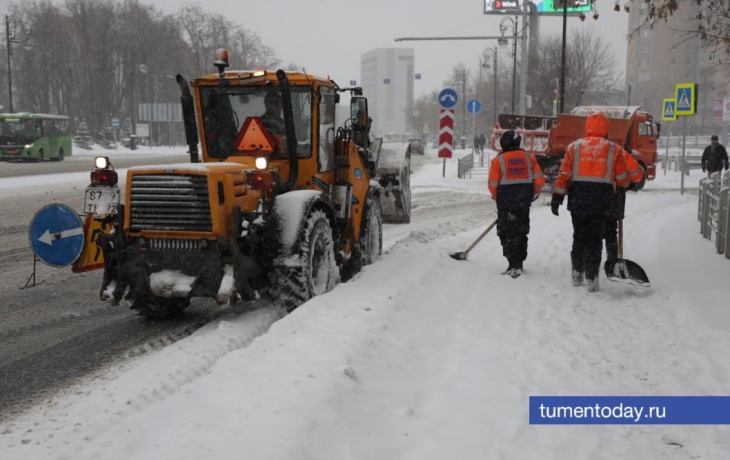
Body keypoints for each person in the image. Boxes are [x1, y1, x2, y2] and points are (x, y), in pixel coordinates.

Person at [550, 113, 632, 292]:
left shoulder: (574, 148)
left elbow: (564, 175)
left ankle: (577, 273)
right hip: (601, 200)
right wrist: (626, 184)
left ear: (587, 127)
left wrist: (557, 197)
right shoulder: (613, 149)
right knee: (594, 239)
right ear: (606, 128)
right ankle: (592, 277)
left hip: (578, 199)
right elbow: (623, 179)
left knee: (579, 235)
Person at [488, 129, 545, 278]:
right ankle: (519, 261)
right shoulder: (529, 157)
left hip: (505, 203)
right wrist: (534, 193)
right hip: (523, 202)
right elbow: (539, 179)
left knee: (505, 232)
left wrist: (497, 198)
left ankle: (512, 261)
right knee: (521, 231)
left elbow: (492, 184)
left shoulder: (498, 160)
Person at [602, 151, 645, 261]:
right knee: (610, 231)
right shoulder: (617, 151)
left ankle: (592, 264)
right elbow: (637, 177)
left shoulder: (587, 152)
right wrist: (627, 184)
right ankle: (612, 261)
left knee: (594, 231)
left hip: (595, 201)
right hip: (612, 200)